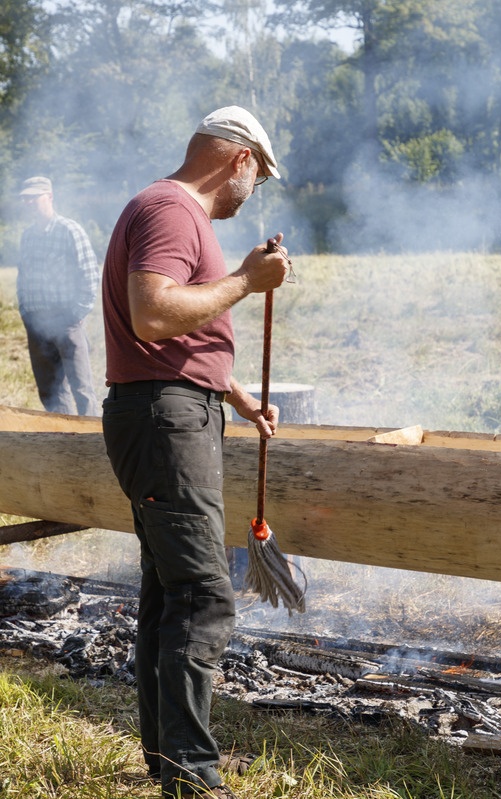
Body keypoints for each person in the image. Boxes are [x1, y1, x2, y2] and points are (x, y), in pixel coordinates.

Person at [101, 106, 288, 799]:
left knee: (168, 592)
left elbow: (179, 331)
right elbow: (152, 313)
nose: (254, 191)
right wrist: (246, 281)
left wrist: (232, 393)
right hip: (164, 419)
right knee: (202, 595)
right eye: (259, 176)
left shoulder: (170, 211)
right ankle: (190, 776)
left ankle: (169, 761)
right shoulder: (173, 210)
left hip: (169, 410)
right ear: (239, 159)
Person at [17, 176, 101, 416]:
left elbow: (90, 273)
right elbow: (23, 277)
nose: (30, 202)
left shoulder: (69, 230)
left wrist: (76, 314)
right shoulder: (28, 236)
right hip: (35, 322)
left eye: (35, 197)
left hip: (66, 321)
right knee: (49, 389)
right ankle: (61, 437)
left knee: (81, 387)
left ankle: (89, 440)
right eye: (26, 199)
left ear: (50, 197)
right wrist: (25, 311)